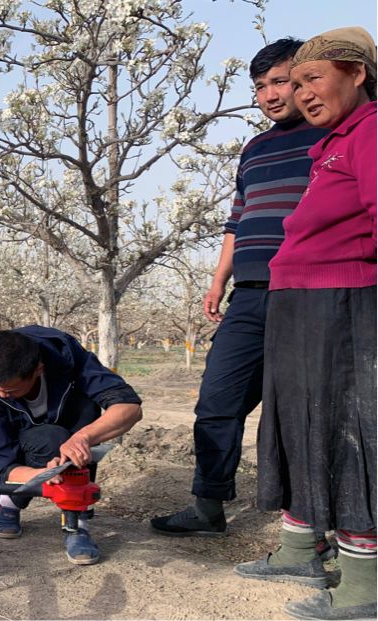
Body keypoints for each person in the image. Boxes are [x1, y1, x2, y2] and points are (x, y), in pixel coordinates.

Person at [151, 39, 330, 540]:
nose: (271, 95)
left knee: (301, 407)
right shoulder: (254, 149)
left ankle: (318, 521)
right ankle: (208, 506)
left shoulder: (332, 136)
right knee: (216, 399)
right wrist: (217, 279)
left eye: (280, 82)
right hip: (248, 295)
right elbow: (237, 218)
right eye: (260, 88)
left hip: (306, 292)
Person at [232, 27, 376, 620]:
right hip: (299, 303)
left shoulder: (370, 132)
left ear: (357, 74)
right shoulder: (331, 144)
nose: (303, 93)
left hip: (338, 302)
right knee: (301, 426)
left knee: (345, 429)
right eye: (298, 84)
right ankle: (302, 545)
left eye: (314, 79)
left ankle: (365, 583)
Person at [0, 326, 143, 565]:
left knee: (83, 413)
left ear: (38, 370)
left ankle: (77, 524)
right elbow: (1, 455)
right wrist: (42, 476)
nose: (1, 395)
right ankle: (10, 501)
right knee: (51, 439)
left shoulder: (67, 355)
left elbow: (129, 408)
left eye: (9, 390)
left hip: (70, 433)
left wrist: (82, 438)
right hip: (26, 444)